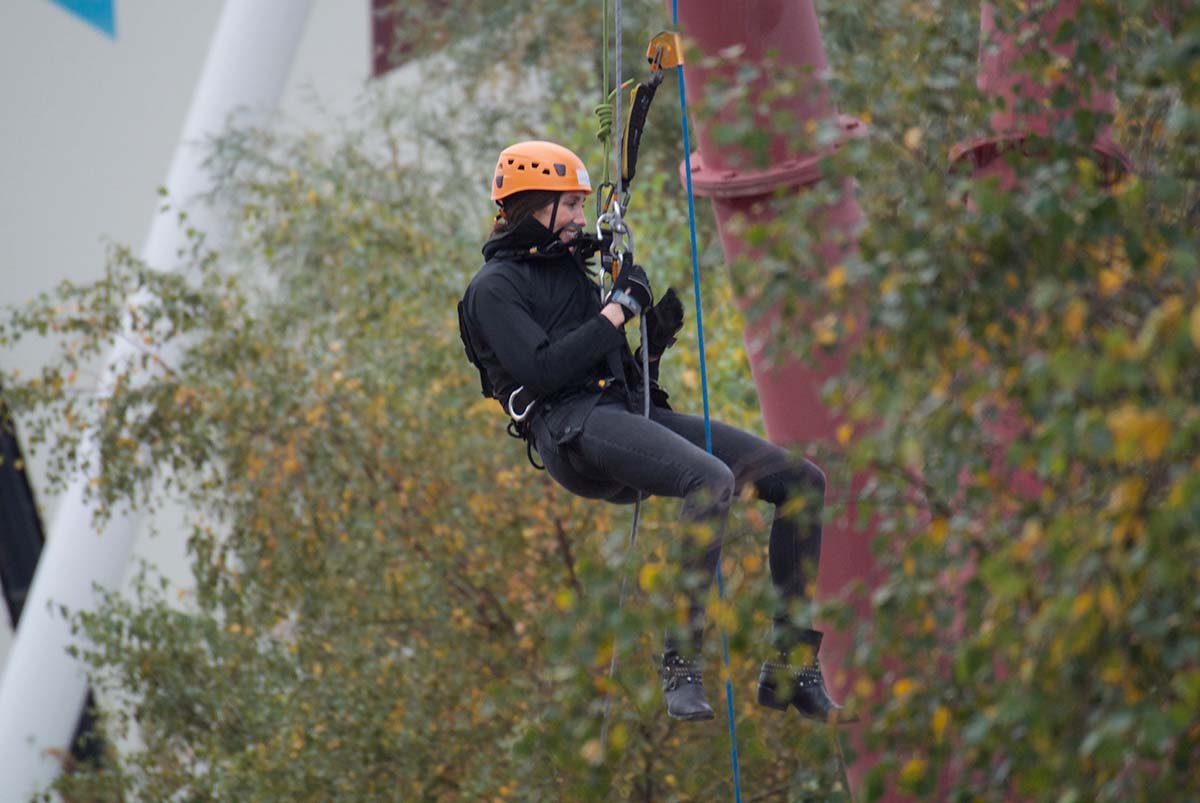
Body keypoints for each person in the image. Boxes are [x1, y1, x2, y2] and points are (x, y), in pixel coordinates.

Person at [458, 140, 848, 723]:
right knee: (709, 479)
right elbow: (543, 369)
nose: (577, 220)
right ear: (532, 205)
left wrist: (651, 345)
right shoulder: (493, 288)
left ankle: (791, 668)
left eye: (579, 207)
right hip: (571, 430)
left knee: (800, 481)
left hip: (620, 412)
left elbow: (611, 370)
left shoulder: (572, 272)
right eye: (567, 206)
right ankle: (680, 664)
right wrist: (616, 310)